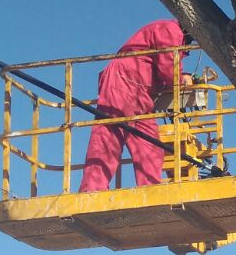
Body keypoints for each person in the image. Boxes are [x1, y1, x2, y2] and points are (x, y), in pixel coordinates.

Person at [78, 20, 192, 193]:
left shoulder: (173, 32)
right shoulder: (171, 30)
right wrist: (181, 78)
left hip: (141, 93)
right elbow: (169, 70)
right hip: (123, 81)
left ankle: (151, 191)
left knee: (150, 144)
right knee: (109, 137)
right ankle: (92, 189)